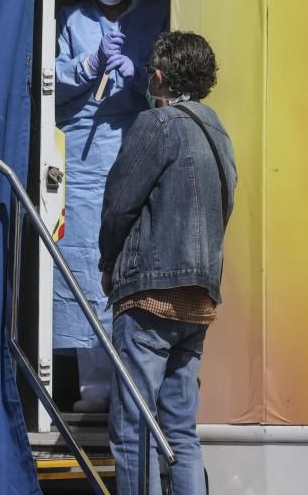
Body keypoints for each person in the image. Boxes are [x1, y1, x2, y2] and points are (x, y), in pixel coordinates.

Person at [98, 31, 237, 493]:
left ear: (157, 76)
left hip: (150, 295)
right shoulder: (220, 133)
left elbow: (119, 203)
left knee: (135, 430)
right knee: (179, 429)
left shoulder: (155, 125)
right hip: (199, 299)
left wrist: (106, 262)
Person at [54, 0, 168, 412]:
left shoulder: (158, 16)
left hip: (138, 151)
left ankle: (138, 383)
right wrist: (88, 65)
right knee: (84, 262)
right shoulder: (70, 20)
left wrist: (138, 74)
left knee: (138, 264)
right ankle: (95, 388)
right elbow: (48, 89)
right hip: (82, 161)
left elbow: (172, 88)